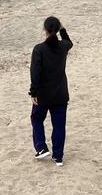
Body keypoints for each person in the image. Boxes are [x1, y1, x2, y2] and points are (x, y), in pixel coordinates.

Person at [29, 16, 73, 166]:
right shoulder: (63, 47)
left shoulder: (39, 49)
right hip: (60, 93)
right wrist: (63, 29)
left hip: (43, 94)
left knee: (36, 118)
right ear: (57, 29)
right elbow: (69, 42)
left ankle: (41, 147)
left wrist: (33, 92)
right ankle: (58, 157)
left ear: (45, 29)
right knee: (59, 125)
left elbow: (35, 72)